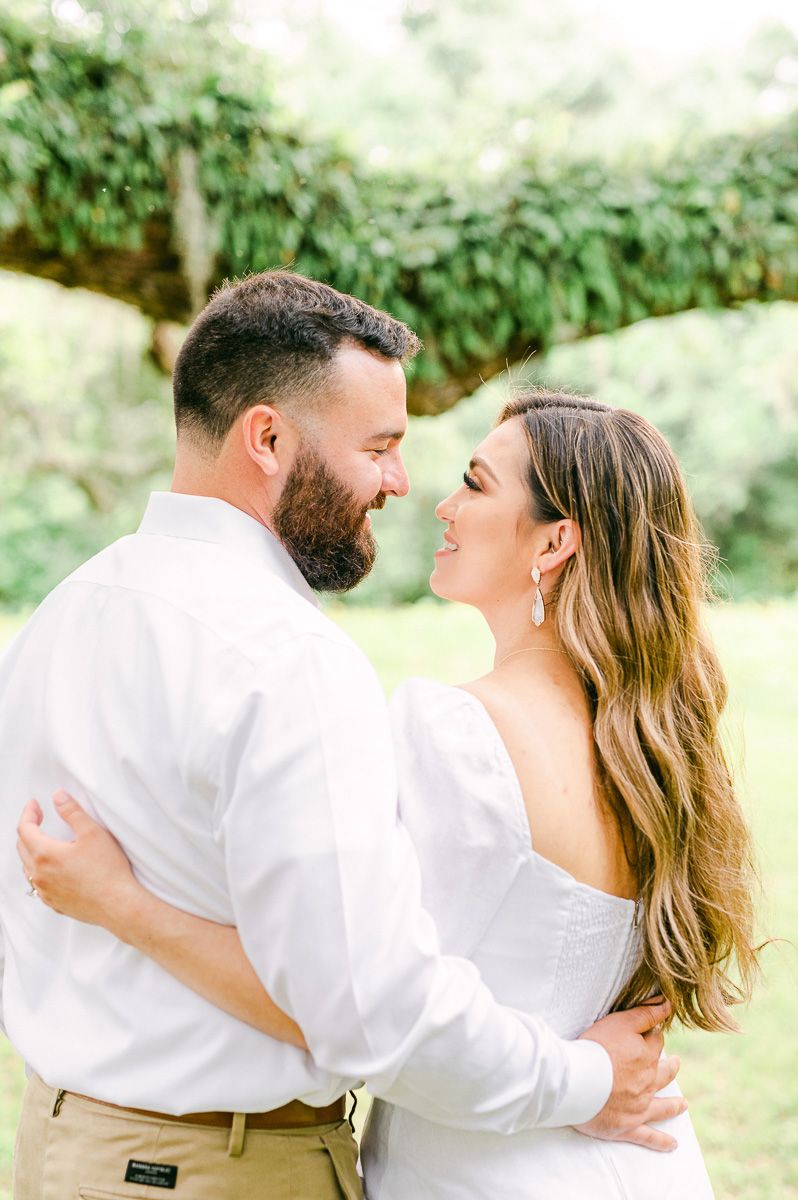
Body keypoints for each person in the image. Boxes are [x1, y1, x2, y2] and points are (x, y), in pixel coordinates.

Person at [0, 273, 679, 1200]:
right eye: (380, 446)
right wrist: (589, 1080)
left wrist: (120, 907)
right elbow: (370, 1007)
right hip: (223, 1168)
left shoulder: (59, 617)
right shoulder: (287, 659)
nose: (403, 483)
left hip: (60, 1147)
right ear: (268, 438)